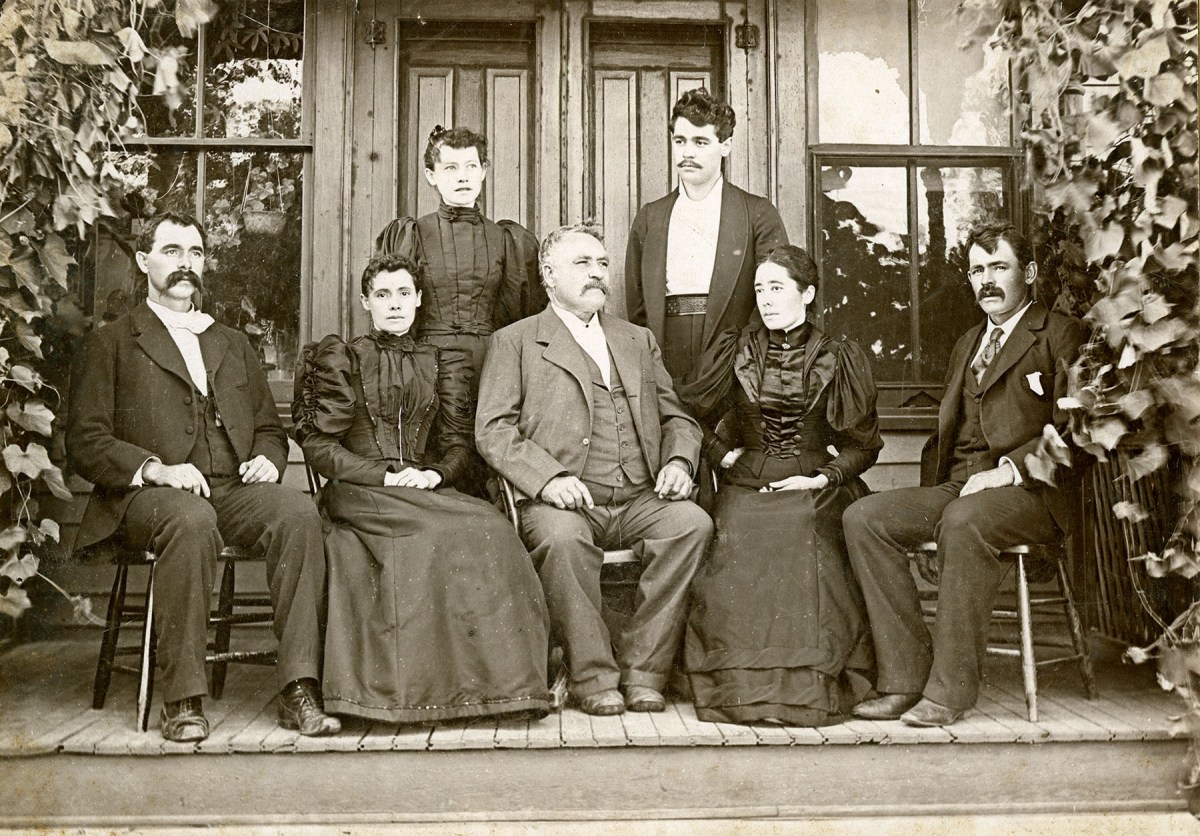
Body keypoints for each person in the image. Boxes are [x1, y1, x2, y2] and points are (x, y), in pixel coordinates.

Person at [67, 212, 340, 742]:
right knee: (191, 522)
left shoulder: (231, 342)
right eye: (171, 252)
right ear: (144, 262)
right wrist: (157, 468)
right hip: (149, 496)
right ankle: (183, 697)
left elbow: (267, 426)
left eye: (194, 253)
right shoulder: (114, 342)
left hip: (232, 489)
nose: (185, 264)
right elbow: (85, 441)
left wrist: (268, 458)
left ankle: (299, 688)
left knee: (298, 513)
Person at [844, 221, 1086, 728]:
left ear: (1031, 273)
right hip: (959, 487)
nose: (986, 280)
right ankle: (904, 677)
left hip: (1031, 494)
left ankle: (950, 691)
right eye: (977, 270)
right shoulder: (967, 342)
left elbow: (1080, 431)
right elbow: (948, 437)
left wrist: (1008, 471)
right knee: (865, 518)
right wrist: (940, 491)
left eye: (999, 267)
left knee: (962, 521)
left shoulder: (1061, 333)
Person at [292, 253, 552, 724]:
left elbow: (457, 444)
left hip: (421, 487)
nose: (395, 304)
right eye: (383, 295)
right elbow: (319, 446)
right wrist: (381, 475)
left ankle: (496, 689)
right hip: (360, 488)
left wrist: (435, 475)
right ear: (366, 303)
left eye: (404, 294)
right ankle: (399, 694)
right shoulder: (343, 357)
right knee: (426, 532)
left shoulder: (441, 362)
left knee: (490, 527)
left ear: (417, 301)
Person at [476, 224, 713, 717]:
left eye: (602, 264)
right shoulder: (515, 342)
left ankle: (645, 673)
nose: (597, 274)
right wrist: (547, 479)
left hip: (639, 497)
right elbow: (493, 430)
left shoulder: (636, 339)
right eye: (582, 263)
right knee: (562, 542)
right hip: (562, 501)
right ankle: (593, 677)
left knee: (692, 525)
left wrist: (677, 460)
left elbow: (677, 417)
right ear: (548, 274)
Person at [678, 245, 882, 726]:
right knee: (740, 529)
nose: (766, 300)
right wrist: (719, 454)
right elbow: (687, 414)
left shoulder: (840, 356)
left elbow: (864, 446)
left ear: (807, 293)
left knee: (801, 528)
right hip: (746, 479)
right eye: (760, 290)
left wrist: (822, 476)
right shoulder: (736, 349)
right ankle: (739, 686)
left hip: (814, 481)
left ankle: (808, 685)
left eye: (777, 288)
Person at [625, 87, 788, 384]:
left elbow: (774, 295)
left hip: (733, 358)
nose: (688, 152)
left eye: (701, 142)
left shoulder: (758, 214)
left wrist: (741, 356)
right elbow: (637, 307)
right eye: (680, 141)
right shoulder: (650, 217)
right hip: (664, 353)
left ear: (725, 145)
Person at [375, 125, 545, 383]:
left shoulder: (507, 239)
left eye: (471, 167)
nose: (462, 177)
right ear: (431, 175)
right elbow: (389, 308)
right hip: (425, 366)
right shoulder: (412, 234)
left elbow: (524, 316)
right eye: (450, 168)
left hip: (492, 364)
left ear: (484, 171)